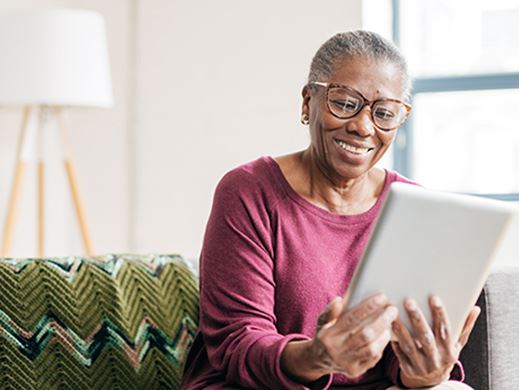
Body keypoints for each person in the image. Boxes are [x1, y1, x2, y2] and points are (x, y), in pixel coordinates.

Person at [180, 30, 480, 389]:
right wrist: (318, 356)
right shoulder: (248, 191)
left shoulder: (412, 206)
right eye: (345, 102)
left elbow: (400, 361)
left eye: (384, 113)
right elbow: (238, 343)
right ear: (309, 102)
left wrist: (424, 373)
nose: (363, 126)